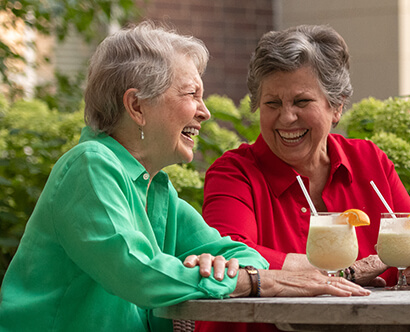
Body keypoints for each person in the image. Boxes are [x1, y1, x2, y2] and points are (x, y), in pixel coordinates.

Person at [0, 22, 371, 332]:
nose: (205, 111)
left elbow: (232, 250)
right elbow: (140, 271)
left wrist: (229, 267)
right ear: (136, 106)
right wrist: (255, 281)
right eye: (192, 94)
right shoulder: (89, 167)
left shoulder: (153, 186)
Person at [197, 25, 410, 332]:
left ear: (337, 107)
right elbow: (230, 254)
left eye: (302, 102)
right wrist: (351, 272)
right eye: (272, 103)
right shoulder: (235, 172)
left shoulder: (368, 161)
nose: (287, 117)